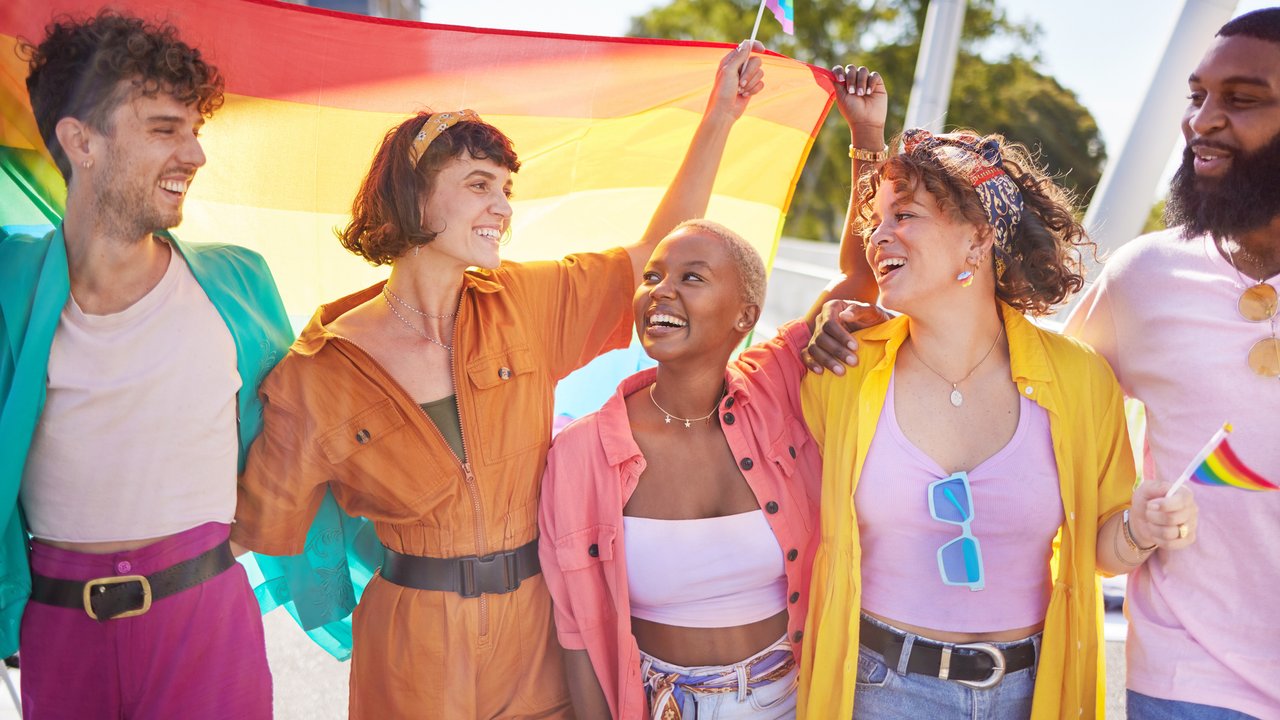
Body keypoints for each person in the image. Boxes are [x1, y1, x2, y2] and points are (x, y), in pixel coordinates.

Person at [231, 41, 766, 719]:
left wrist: (721, 115)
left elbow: (652, 256)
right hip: (412, 652)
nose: (504, 208)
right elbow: (252, 533)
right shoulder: (315, 373)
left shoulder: (525, 303)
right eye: (480, 185)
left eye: (507, 190)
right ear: (413, 193)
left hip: (539, 637)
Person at [795, 72, 1197, 718]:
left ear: (978, 239)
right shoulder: (843, 369)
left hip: (1032, 692)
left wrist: (1140, 528)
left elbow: (1102, 549)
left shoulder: (1079, 379)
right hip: (878, 689)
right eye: (876, 221)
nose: (878, 237)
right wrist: (865, 138)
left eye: (905, 216)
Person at [535, 65, 884, 720]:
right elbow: (577, 632)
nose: (661, 291)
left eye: (692, 278)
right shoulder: (581, 453)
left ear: (744, 316)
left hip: (793, 697)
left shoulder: (777, 387)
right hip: (659, 705)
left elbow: (864, 276)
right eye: (653, 277)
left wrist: (866, 136)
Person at [0, 11, 290, 718]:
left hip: (205, 625)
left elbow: (308, 432)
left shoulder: (239, 281)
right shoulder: (8, 282)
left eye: (195, 130)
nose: (195, 154)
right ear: (81, 141)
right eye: (165, 129)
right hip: (58, 635)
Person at [1065, 10, 1280, 719]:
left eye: (1241, 99)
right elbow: (1036, 400)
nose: (1202, 121)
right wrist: (865, 321)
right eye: (1197, 95)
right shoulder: (1145, 277)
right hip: (1190, 682)